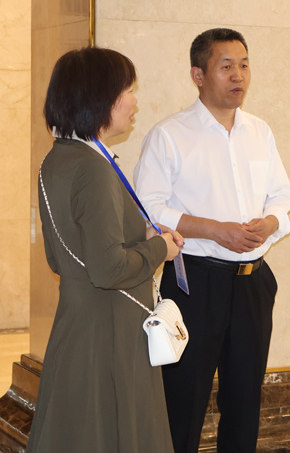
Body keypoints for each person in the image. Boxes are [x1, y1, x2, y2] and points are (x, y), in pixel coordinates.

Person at [134, 28, 290, 453]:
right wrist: (213, 229)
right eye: (226, 66)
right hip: (195, 284)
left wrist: (271, 222)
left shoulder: (260, 131)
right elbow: (148, 208)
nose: (238, 75)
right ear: (198, 75)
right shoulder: (169, 135)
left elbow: (283, 195)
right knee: (183, 401)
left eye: (244, 65)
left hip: (253, 284)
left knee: (244, 401)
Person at [28, 47, 183, 453]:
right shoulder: (93, 168)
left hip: (78, 324)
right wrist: (160, 248)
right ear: (100, 98)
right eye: (127, 91)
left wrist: (138, 237)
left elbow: (60, 256)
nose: (134, 101)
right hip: (111, 331)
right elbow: (109, 270)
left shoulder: (57, 160)